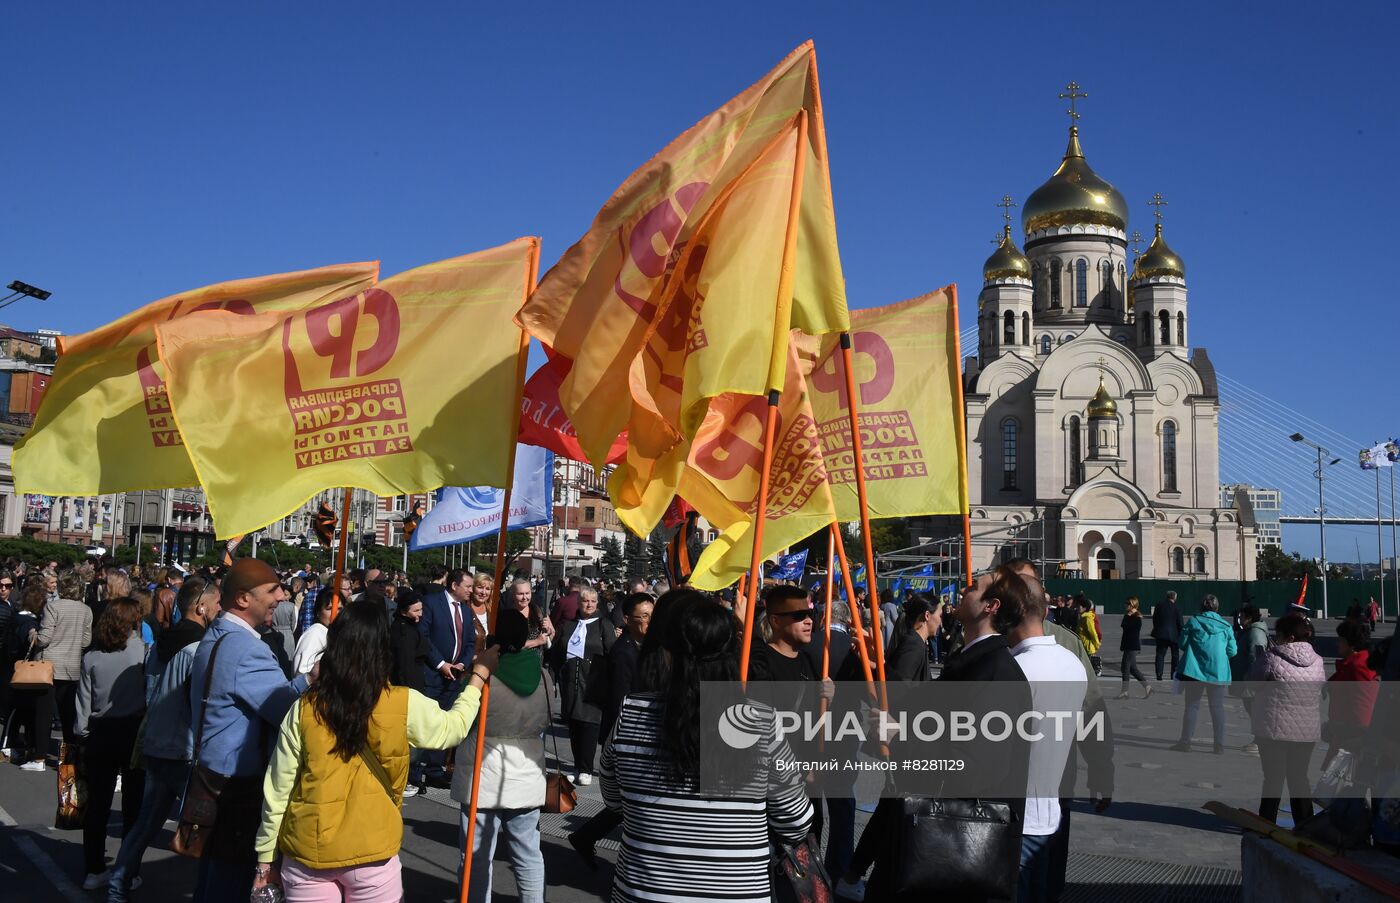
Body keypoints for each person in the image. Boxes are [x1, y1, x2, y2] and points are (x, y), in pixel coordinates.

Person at [254, 599, 497, 902]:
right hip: (373, 848)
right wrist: (478, 677)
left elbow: (279, 789)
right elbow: (453, 728)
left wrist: (265, 859)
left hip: (307, 849)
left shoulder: (304, 708)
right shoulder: (403, 701)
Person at [599, 591, 813, 901]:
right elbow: (795, 822)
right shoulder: (761, 723)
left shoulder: (631, 712)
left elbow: (613, 799)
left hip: (644, 893)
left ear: (668, 653)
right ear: (731, 651)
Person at [189, 559, 313, 903]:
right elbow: (284, 711)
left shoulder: (217, 634)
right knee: (229, 880)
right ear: (243, 599)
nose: (281, 596)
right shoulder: (247, 649)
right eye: (272, 590)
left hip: (212, 770)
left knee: (213, 873)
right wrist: (313, 679)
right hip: (238, 780)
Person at [107, 579, 219, 902]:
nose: (218, 610)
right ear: (200, 607)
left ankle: (118, 885)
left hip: (155, 739)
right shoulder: (200, 649)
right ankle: (206, 893)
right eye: (215, 605)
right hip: (184, 748)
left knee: (146, 823)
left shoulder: (160, 641)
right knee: (209, 829)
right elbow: (198, 702)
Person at [999, 572, 1087, 903]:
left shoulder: (1013, 669)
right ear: (1046, 611)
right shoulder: (1072, 663)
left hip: (1013, 821)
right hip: (1048, 815)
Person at [452, 610, 549, 903]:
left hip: (483, 771)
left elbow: (462, 717)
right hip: (527, 770)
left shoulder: (483, 675)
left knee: (476, 856)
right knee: (528, 852)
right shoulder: (543, 675)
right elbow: (547, 719)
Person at [76, 598, 148, 890]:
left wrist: (81, 735)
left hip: (101, 730)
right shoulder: (142, 651)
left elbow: (83, 704)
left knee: (98, 805)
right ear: (132, 621)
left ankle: (94, 869)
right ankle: (128, 870)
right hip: (133, 730)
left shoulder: (91, 657)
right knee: (134, 805)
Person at [1245, 612, 1323, 825]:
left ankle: (1266, 822)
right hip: (1306, 731)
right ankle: (1306, 823)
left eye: (1278, 635)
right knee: (1300, 779)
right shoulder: (1318, 660)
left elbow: (1252, 683)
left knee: (1273, 780)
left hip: (1274, 729)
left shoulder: (1271, 658)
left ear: (1288, 637)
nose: (1275, 638)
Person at [550, 586, 614, 784]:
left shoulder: (604, 624)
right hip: (571, 682)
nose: (589, 604)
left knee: (589, 724)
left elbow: (611, 651)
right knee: (574, 724)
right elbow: (557, 652)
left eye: (593, 601)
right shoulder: (569, 625)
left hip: (593, 681)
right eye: (585, 601)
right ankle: (577, 766)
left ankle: (586, 768)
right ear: (579, 603)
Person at [418, 569, 476, 788]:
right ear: (454, 585)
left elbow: (470, 641)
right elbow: (423, 636)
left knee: (444, 723)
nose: (471, 590)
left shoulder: (465, 610)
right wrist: (441, 664)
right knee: (425, 722)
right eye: (468, 586)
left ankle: (434, 769)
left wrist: (462, 663)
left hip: (454, 676)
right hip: (432, 673)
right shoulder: (432, 603)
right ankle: (415, 771)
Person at [34, 569, 93, 747]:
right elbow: (85, 641)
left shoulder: (52, 606)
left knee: (43, 712)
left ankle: (39, 757)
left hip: (48, 664)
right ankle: (68, 755)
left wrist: (32, 634)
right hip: (72, 665)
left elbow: (44, 638)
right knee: (68, 713)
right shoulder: (86, 610)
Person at [1171, 594, 1237, 754]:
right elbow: (1233, 651)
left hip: (1194, 671)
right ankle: (1219, 745)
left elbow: (1182, 644)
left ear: (1201, 607)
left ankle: (1186, 742)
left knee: (1192, 706)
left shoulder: (1193, 621)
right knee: (1217, 708)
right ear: (1217, 608)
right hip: (1218, 671)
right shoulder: (1226, 627)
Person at [8, 580, 56, 769]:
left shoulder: (16, 617)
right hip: (27, 672)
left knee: (19, 711)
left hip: (15, 668)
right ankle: (19, 745)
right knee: (26, 712)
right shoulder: (29, 622)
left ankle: (16, 744)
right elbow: (30, 642)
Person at [1322, 620, 1378, 769]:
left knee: (1345, 785)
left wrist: (1349, 733)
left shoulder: (1358, 666)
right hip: (1347, 732)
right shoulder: (1355, 662)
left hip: (1352, 736)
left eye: (1341, 640)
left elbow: (1364, 704)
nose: (1337, 643)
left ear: (1352, 643)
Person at [885, 595, 937, 682]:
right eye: (940, 615)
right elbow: (900, 685)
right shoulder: (913, 645)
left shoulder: (915, 642)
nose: (940, 621)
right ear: (927, 615)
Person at [292, 590, 340, 676]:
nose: (335, 613)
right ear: (318, 612)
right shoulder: (315, 634)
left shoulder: (333, 633)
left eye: (339, 609)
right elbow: (302, 673)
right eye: (329, 609)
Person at [507, 578, 554, 652]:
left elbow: (552, 636)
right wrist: (537, 642)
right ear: (512, 595)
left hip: (537, 661)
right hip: (517, 661)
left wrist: (548, 631)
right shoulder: (507, 616)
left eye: (527, 593)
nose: (524, 597)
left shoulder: (538, 611)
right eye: (520, 594)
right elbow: (509, 646)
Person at [1118, 597, 1152, 698]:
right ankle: (1147, 687)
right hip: (1129, 646)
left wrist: (1128, 615)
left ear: (1133, 605)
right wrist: (1127, 615)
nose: (1126, 605)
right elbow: (1124, 625)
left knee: (1125, 668)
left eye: (1128, 603)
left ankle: (1125, 692)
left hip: (1131, 646)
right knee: (1132, 669)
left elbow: (1124, 625)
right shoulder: (1130, 616)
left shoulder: (1137, 617)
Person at [1151, 590, 1184, 681]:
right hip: (1174, 635)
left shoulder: (1159, 605)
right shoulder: (1177, 607)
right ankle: (1173, 674)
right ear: (1174, 597)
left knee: (1160, 654)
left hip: (1161, 634)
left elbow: (1155, 619)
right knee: (1175, 655)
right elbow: (1180, 623)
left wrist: (1157, 629)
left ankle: (1159, 674)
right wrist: (1182, 634)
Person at [1076, 596, 1102, 676]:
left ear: (1085, 608)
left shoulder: (1087, 618)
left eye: (1079, 606)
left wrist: (1096, 644)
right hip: (1083, 645)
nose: (1078, 608)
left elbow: (1092, 632)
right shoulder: (1082, 617)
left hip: (1088, 647)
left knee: (1087, 669)